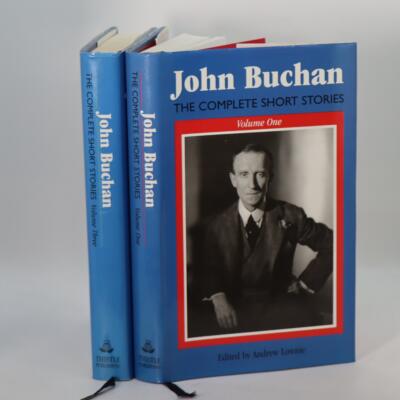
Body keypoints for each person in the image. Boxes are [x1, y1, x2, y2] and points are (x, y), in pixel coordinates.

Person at [198, 143, 333, 334]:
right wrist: (218, 296)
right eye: (244, 174)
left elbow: (335, 244)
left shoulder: (291, 216)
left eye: (260, 174)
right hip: (233, 314)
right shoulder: (216, 225)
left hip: (281, 312)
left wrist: (305, 283)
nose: (252, 184)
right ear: (233, 179)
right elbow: (208, 268)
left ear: (270, 178)